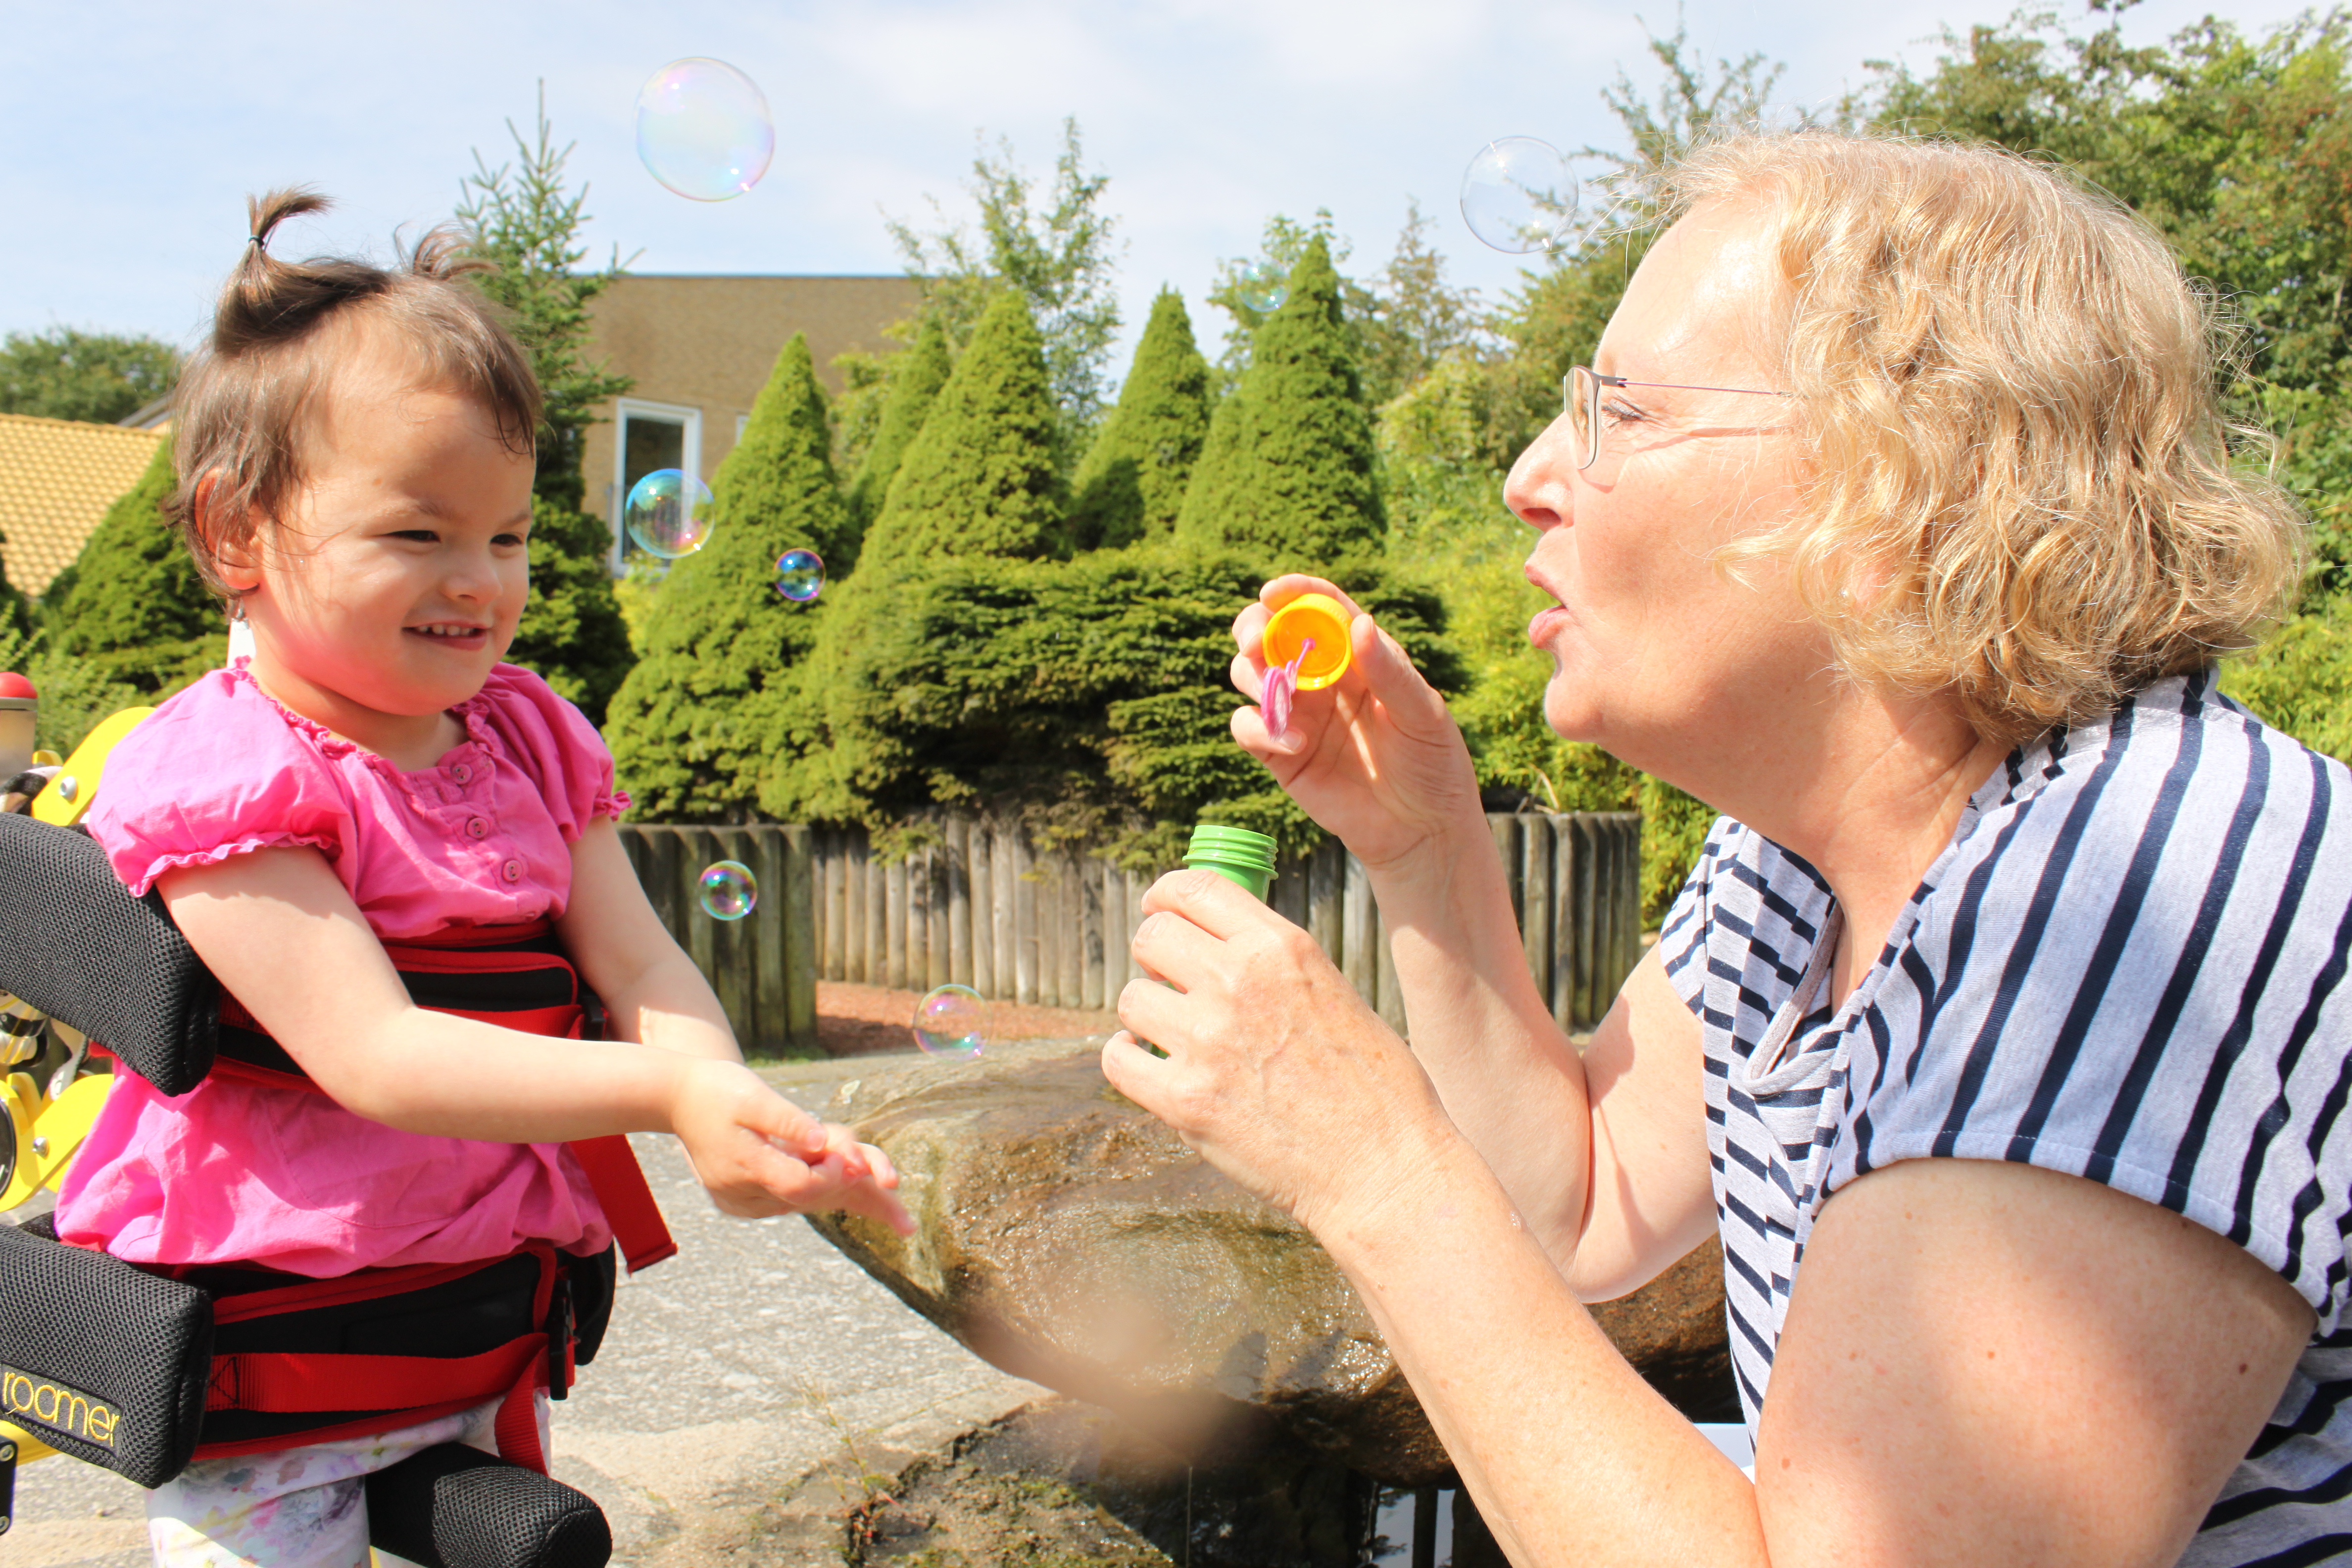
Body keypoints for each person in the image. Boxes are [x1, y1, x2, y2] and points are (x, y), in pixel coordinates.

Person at [1107, 130, 2350, 1568]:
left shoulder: (2151, 884)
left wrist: (1371, 1168)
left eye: (1618, 411)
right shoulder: (1795, 869)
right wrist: (1425, 847)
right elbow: (1584, 1201)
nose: (1527, 475)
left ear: (1909, 482)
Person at [51, 190, 912, 1568]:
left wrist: (726, 1103)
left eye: (506, 535)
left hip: (471, 1331)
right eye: (418, 533)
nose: (480, 580)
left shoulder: (526, 736)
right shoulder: (231, 775)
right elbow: (375, 1054)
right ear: (237, 535)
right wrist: (667, 1091)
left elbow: (637, 965)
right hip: (282, 1357)